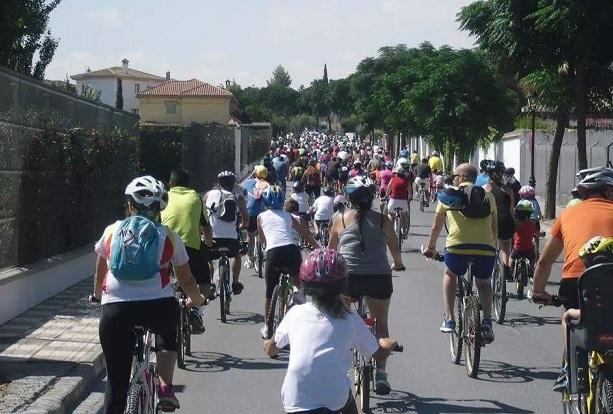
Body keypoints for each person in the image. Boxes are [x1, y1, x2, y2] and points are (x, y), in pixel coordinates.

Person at [94, 176, 206, 413]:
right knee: (167, 330)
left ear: (130, 205)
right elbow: (186, 280)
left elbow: (100, 275)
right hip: (157, 307)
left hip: (115, 310)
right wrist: (198, 300)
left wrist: (96, 295)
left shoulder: (111, 231)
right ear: (159, 207)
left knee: (116, 381)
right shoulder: (169, 236)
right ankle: (165, 387)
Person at [263, 248, 399, 414]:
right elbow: (378, 354)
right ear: (342, 284)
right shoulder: (349, 317)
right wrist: (389, 344)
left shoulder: (296, 313)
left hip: (295, 399)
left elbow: (272, 348)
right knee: (346, 397)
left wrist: (267, 345)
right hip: (334, 399)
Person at [328, 176, 405, 395]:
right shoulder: (383, 220)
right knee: (381, 323)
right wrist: (397, 264)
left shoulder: (339, 218)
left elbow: (330, 251)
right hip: (379, 277)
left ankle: (337, 366)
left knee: (340, 320)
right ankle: (381, 373)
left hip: (347, 279)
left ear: (349, 198)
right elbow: (394, 247)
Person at [423, 163, 498, 343]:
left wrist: (431, 248)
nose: (453, 178)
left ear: (461, 177)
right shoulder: (488, 196)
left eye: (454, 175)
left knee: (450, 274)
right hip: (486, 248)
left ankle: (449, 319)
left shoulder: (448, 196)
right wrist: (492, 245)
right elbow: (495, 226)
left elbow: (436, 226)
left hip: (458, 247)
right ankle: (487, 320)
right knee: (484, 284)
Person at [531, 167, 613, 310]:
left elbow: (544, 262)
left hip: (575, 281)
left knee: (569, 318)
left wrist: (538, 291)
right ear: (606, 192)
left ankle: (569, 328)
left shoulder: (566, 215)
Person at [258, 186, 319, 339]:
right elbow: (304, 234)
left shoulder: (261, 216)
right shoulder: (288, 216)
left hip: (273, 252)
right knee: (297, 280)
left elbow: (262, 239)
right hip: (291, 250)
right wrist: (318, 249)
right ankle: (298, 293)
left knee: (269, 292)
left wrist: (267, 247)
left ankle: (267, 326)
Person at [161, 169, 213, 334]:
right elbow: (205, 225)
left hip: (164, 247)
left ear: (171, 183)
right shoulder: (196, 197)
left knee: (161, 280)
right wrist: (209, 243)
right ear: (189, 184)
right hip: (190, 248)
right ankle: (196, 309)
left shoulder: (163, 197)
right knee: (205, 281)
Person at [204, 171, 249, 295]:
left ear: (219, 183)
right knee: (236, 255)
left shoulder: (209, 194)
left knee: (207, 258)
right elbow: (245, 219)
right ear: (233, 183)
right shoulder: (238, 197)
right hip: (230, 239)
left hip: (212, 238)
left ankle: (210, 284)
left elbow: (202, 214)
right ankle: (235, 283)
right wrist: (241, 226)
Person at [484, 161, 516, 280]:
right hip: (506, 221)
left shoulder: (486, 189)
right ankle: (506, 268)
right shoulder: (509, 190)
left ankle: (489, 267)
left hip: (491, 221)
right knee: (506, 246)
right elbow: (512, 210)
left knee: (491, 245)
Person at [242, 166, 270, 269]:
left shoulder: (248, 183)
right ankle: (265, 250)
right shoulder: (267, 185)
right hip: (264, 213)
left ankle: (249, 258)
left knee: (250, 236)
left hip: (251, 212)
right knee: (265, 232)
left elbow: (241, 190)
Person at [509, 200, 538, 277]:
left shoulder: (516, 224)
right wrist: (540, 234)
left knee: (512, 258)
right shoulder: (531, 225)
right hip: (529, 249)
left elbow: (511, 231)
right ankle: (531, 268)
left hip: (518, 248)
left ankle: (510, 272)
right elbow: (537, 233)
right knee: (533, 257)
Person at [385, 166, 413, 239]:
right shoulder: (407, 181)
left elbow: (388, 190)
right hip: (403, 202)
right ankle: (404, 232)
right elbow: (410, 192)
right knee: (403, 215)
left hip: (393, 201)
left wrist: (386, 196)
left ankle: (389, 231)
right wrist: (409, 199)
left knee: (391, 214)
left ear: (397, 173)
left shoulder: (392, 179)